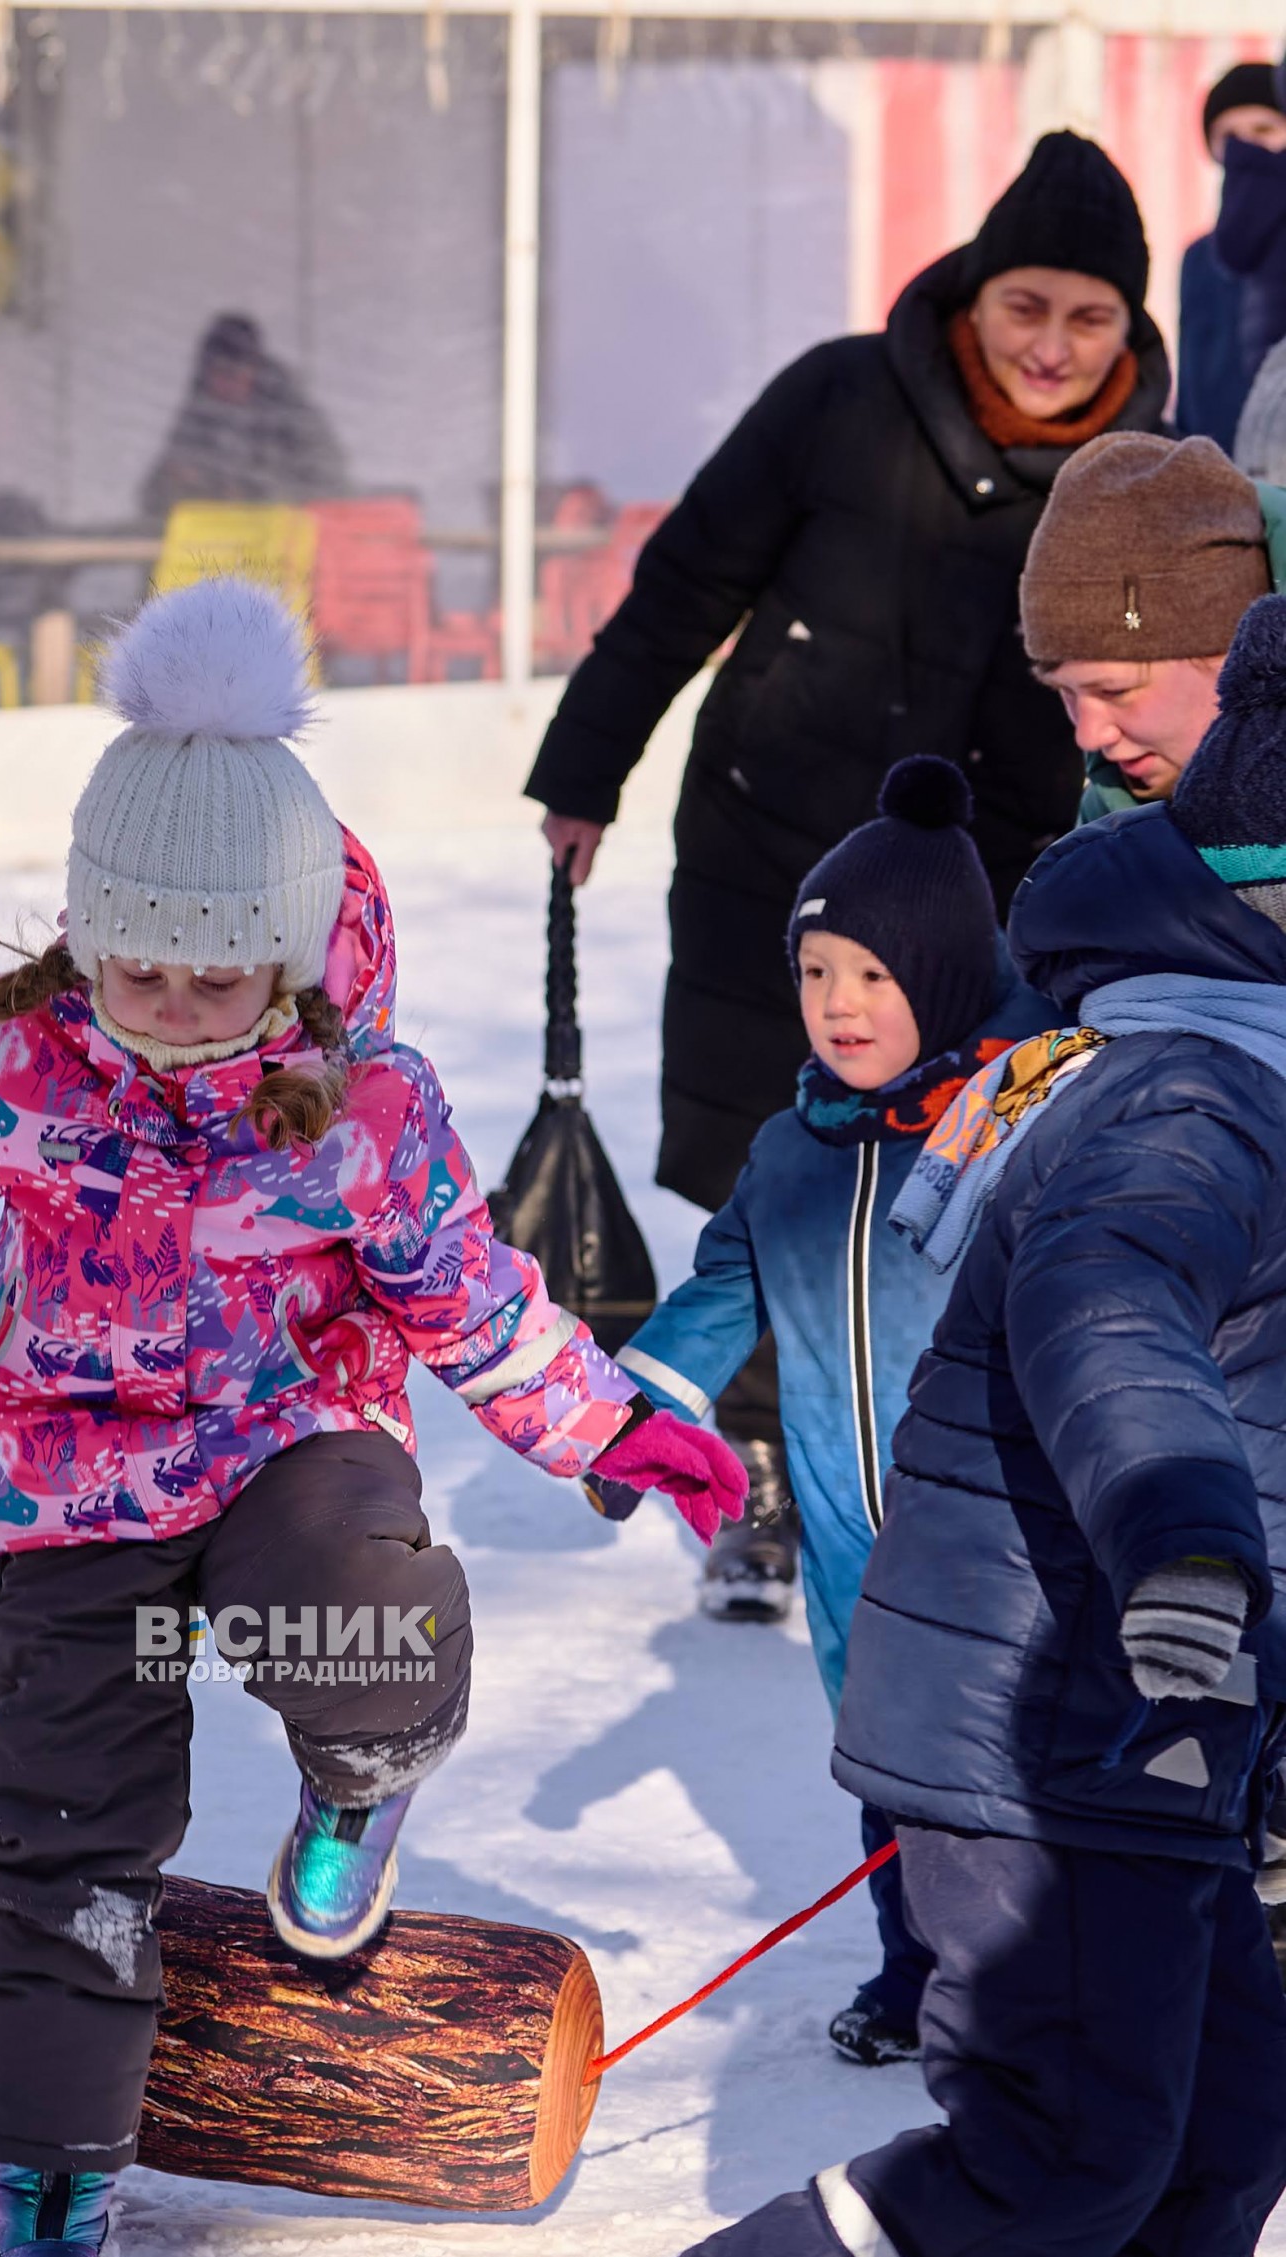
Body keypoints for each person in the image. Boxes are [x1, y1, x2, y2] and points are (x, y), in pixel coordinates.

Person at [0, 578, 744, 2257]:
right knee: (62, 1822)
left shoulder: (361, 1115)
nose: (167, 1000)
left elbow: (467, 1297)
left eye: (213, 969)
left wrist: (615, 1424)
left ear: (294, 951)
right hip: (73, 1490)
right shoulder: (24, 1067)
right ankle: (56, 2162)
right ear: (87, 934)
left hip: (285, 1435)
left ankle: (359, 1779)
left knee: (358, 1611)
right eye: (136, 961)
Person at [537, 591, 1286, 2257]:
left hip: (1161, 1704)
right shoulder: (1192, 1094)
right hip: (1054, 1694)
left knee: (1212, 2118)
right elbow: (1110, 1313)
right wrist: (1186, 1544)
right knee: (1067, 2129)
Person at [526, 131, 1168, 1633]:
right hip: (781, 859)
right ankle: (750, 1469)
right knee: (778, 1162)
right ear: (972, 293)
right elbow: (689, 577)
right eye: (1028, 307)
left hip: (992, 899)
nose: (1055, 347)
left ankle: (939, 1459)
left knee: (961, 1181)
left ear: (1131, 328)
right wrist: (583, 768)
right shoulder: (836, 398)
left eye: (1091, 319)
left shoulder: (1135, 478)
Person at [614, 758, 1041, 2070]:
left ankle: (1018, 1987)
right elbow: (726, 1284)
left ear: (948, 976)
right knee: (886, 1761)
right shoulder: (793, 1149)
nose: (840, 1006)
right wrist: (630, 1418)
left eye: (875, 975)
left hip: (997, 1527)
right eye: (817, 974)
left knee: (1001, 1765)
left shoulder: (1012, 1127)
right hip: (849, 1533)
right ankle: (912, 1968)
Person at [1021, 431, 1286, 822]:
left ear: (1237, 656)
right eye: (1067, 692)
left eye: (1116, 690)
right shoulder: (1102, 833)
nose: (1090, 736)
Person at [137, 313, 349, 524]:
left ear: (256, 371)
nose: (225, 384)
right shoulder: (198, 420)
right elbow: (153, 499)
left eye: (234, 373)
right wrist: (180, 485)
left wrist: (251, 495)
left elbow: (330, 486)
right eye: (217, 373)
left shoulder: (293, 419)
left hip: (285, 544)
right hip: (215, 548)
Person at [1176, 62, 1286, 453]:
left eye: (1263, 129)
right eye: (1230, 136)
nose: (1246, 147)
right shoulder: (1200, 258)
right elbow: (1192, 382)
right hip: (1218, 471)